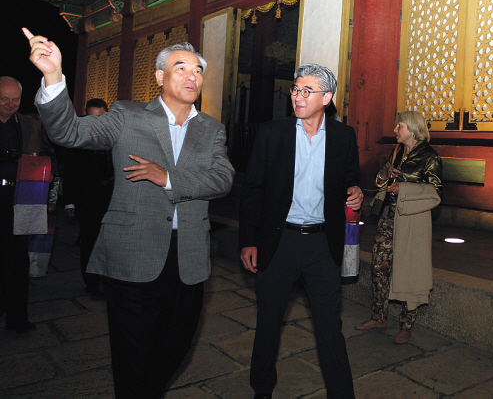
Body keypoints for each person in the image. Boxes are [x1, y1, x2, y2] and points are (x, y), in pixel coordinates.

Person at [24, 28, 235, 399]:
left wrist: (166, 176)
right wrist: (54, 76)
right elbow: (68, 132)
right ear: (160, 77)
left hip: (186, 254)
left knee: (178, 342)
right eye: (181, 67)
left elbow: (222, 179)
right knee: (131, 348)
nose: (191, 76)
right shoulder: (127, 115)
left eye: (198, 70)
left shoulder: (211, 128)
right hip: (132, 249)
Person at [239, 63, 363, 399]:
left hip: (322, 245)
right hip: (279, 243)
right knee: (268, 323)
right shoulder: (272, 133)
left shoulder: (343, 137)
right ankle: (262, 389)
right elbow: (252, 189)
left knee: (329, 327)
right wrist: (249, 240)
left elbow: (351, 176)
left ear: (326, 98)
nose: (297, 96)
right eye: (296, 89)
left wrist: (355, 189)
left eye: (306, 91)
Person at [355, 111, 443, 344]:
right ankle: (378, 316)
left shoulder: (429, 157)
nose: (395, 130)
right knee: (379, 266)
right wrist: (385, 174)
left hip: (412, 220)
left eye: (399, 126)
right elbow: (379, 180)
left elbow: (436, 193)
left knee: (410, 270)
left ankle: (406, 325)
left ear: (413, 129)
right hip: (388, 217)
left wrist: (404, 189)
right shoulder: (396, 153)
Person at [0, 76, 55, 334]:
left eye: (15, 99)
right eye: (4, 99)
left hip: (19, 200)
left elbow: (48, 156)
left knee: (17, 261)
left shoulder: (29, 125)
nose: (10, 104)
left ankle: (17, 318)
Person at [64, 98, 113, 295]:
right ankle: (91, 284)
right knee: (90, 243)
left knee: (111, 244)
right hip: (87, 201)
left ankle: (110, 282)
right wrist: (69, 201)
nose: (95, 122)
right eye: (91, 118)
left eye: (99, 118)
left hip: (112, 200)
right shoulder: (77, 139)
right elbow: (70, 172)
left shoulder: (114, 136)